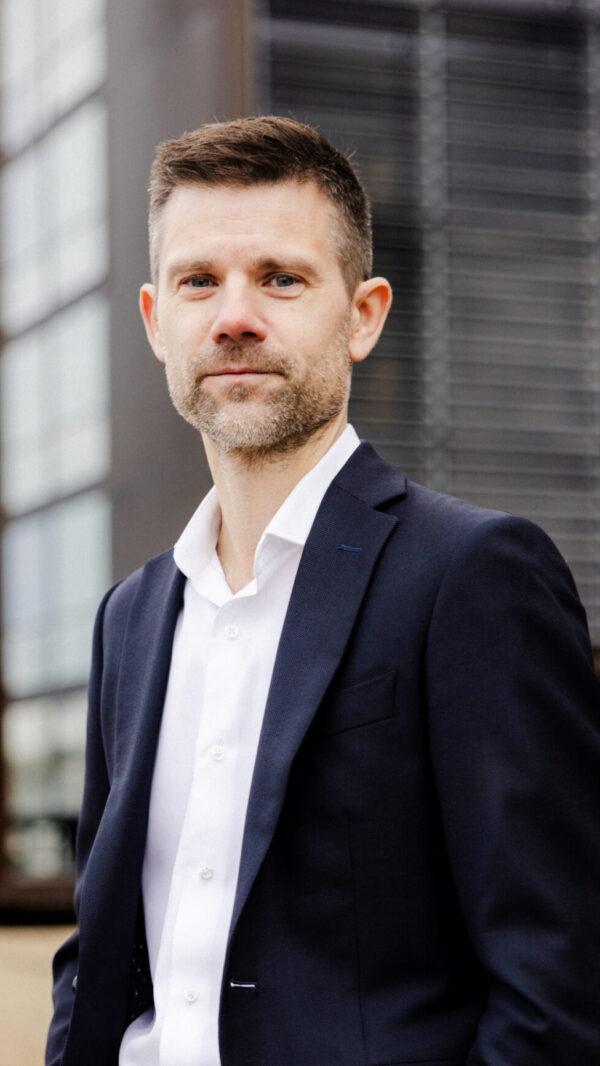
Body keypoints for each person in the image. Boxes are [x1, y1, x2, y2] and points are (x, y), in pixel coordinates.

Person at [47, 116, 600, 1066]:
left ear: (364, 316)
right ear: (154, 321)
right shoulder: (129, 617)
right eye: (197, 281)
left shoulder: (474, 575)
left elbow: (559, 981)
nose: (234, 317)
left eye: (281, 278)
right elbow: (100, 951)